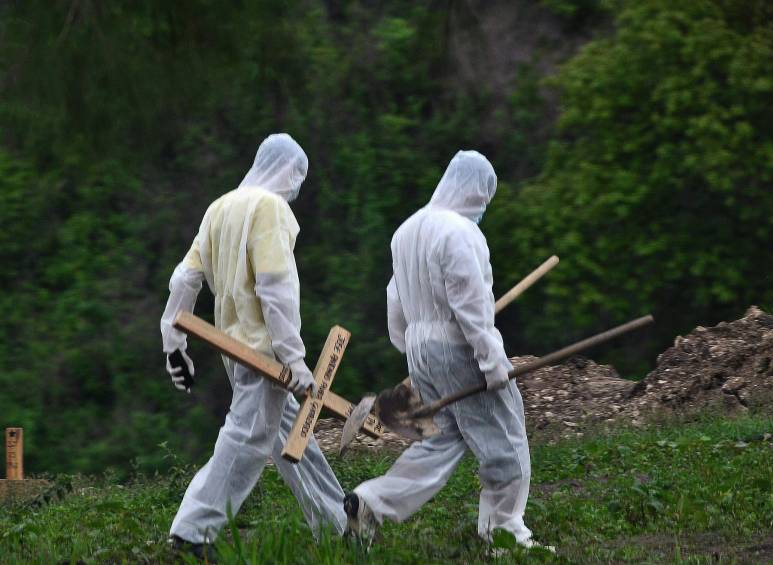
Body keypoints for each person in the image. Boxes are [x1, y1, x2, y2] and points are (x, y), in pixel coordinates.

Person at [344, 150, 546, 550]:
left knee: (440, 441)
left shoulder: (405, 231)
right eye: (484, 199)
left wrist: (413, 349)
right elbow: (471, 305)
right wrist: (491, 362)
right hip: (459, 347)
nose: (483, 208)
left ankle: (368, 503)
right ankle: (505, 533)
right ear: (474, 190)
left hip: (421, 350)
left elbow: (394, 299)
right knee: (503, 435)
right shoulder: (459, 232)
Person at [160, 133, 347, 557]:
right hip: (266, 353)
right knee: (247, 438)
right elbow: (275, 289)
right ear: (289, 171)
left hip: (236, 351)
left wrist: (174, 343)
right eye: (297, 177)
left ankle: (338, 523)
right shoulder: (270, 208)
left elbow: (183, 280)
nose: (296, 189)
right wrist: (296, 360)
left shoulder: (219, 208)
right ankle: (192, 533)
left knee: (293, 436)